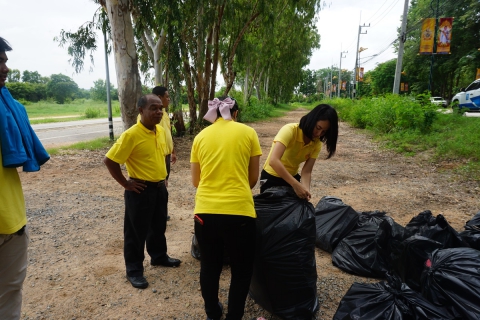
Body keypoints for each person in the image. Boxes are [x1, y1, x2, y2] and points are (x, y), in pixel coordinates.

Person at [191, 97, 262, 320]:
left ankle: (213, 312)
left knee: (210, 266)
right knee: (241, 270)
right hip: (239, 211)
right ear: (236, 114)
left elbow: (196, 181)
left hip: (205, 211)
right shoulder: (248, 133)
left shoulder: (200, 137)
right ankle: (234, 316)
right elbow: (252, 179)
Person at [103, 94, 181, 290]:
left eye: (160, 108)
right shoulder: (131, 135)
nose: (158, 111)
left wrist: (163, 177)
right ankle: (134, 270)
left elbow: (163, 155)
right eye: (153, 108)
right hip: (140, 190)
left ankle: (159, 256)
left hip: (159, 188)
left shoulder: (161, 131)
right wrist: (126, 184)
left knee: (158, 225)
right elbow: (110, 161)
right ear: (141, 111)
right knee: (136, 232)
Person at [0, 37, 50, 319]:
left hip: (12, 222)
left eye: (5, 60)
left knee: (10, 293)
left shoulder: (10, 109)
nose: (6, 68)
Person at [260, 104, 338, 201]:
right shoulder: (290, 130)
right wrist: (296, 185)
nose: (318, 134)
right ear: (312, 119)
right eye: (318, 128)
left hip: (292, 179)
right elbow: (274, 160)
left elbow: (307, 171)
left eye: (324, 132)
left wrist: (305, 191)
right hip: (271, 178)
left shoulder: (316, 144)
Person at [152, 86, 176, 221]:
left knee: (164, 183)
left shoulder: (164, 113)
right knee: (160, 183)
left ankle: (162, 212)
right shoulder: (153, 114)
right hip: (159, 156)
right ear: (159, 97)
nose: (168, 99)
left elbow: (168, 133)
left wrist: (173, 151)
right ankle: (159, 213)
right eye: (167, 97)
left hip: (166, 155)